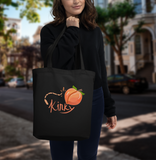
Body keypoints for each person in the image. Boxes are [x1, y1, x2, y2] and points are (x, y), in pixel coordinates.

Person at [40, 0, 117, 159]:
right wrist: (72, 30)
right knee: (61, 155)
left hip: (93, 98)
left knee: (89, 155)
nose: (76, 1)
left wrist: (109, 108)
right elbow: (56, 62)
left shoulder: (95, 31)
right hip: (60, 99)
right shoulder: (49, 30)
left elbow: (100, 69)